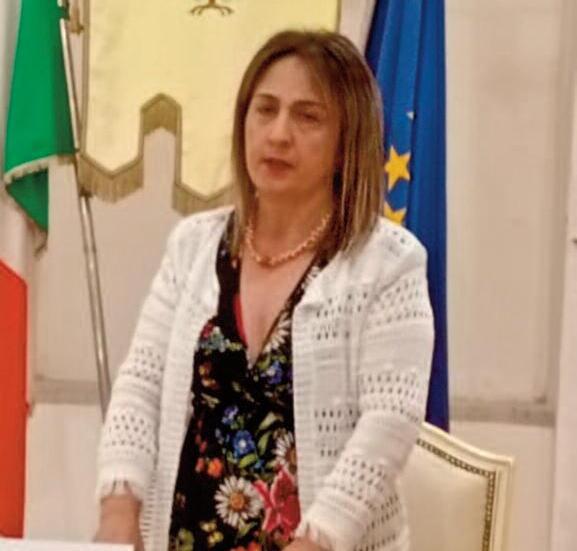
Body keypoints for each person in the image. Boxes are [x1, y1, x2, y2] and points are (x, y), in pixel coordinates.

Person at [94, 29, 434, 551]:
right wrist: (119, 505)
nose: (278, 134)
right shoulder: (193, 245)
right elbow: (141, 383)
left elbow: (388, 423)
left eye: (307, 117)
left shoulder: (389, 262)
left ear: (346, 143)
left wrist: (318, 541)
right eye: (265, 110)